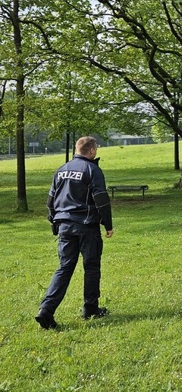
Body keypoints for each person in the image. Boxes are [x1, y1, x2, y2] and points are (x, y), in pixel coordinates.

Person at [36, 136, 114, 329]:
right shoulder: (92, 170)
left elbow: (50, 201)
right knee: (92, 266)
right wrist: (108, 224)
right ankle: (90, 308)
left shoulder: (61, 170)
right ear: (92, 151)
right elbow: (101, 200)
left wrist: (54, 220)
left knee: (64, 268)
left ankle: (46, 310)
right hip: (87, 226)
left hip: (64, 225)